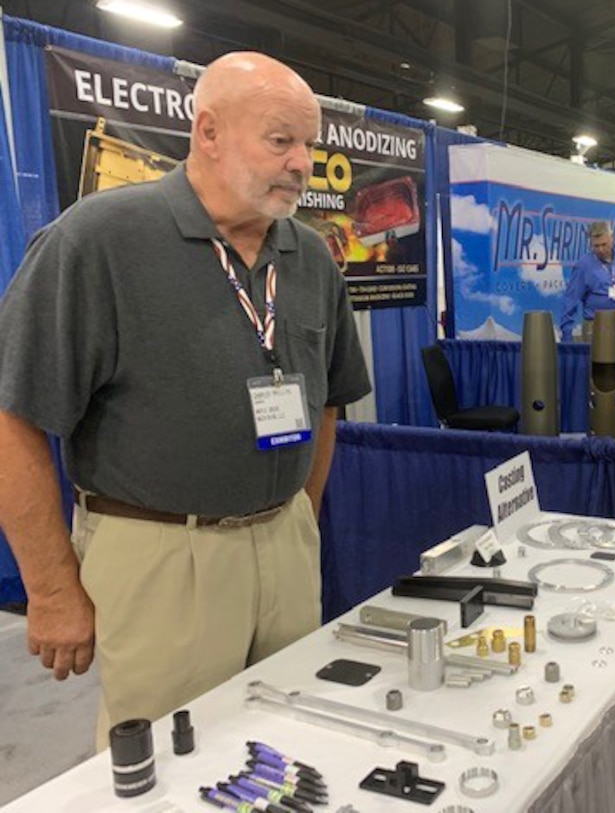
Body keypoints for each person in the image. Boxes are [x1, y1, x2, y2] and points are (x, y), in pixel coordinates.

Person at [0, 52, 370, 747]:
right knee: (174, 762)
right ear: (207, 132)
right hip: (162, 557)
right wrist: (50, 589)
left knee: (290, 743)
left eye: (311, 145)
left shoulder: (312, 258)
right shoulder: (99, 240)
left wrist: (299, 517)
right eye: (281, 140)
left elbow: (329, 402)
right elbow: (12, 417)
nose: (302, 164)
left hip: (284, 545)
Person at [559, 220, 615, 342]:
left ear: (612, 239)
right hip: (595, 327)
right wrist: (567, 336)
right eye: (596, 246)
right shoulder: (583, 266)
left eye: (604, 244)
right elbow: (570, 300)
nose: (601, 250)